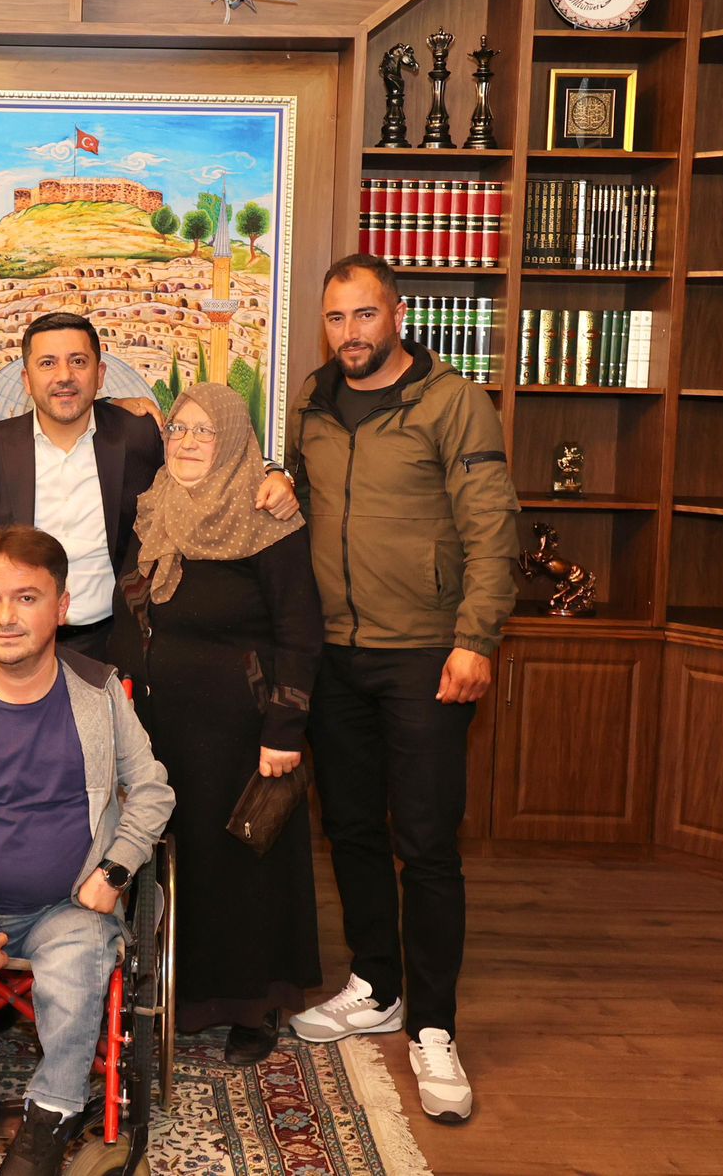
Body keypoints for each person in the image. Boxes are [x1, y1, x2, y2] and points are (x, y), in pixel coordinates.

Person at [284, 254, 518, 1124]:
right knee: (348, 826)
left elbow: (492, 526)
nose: (351, 332)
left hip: (426, 652)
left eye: (365, 314)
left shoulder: (454, 403)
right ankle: (376, 985)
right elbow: (303, 501)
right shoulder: (313, 402)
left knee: (424, 842)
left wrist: (475, 637)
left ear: (398, 315)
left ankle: (434, 1027)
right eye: (336, 317)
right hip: (335, 653)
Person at [0, 526, 175, 1176]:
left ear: (62, 607)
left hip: (66, 904)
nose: (5, 617)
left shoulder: (100, 694)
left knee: (79, 969)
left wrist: (115, 870)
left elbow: (153, 791)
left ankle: (53, 1110)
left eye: (26, 598)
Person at [111, 382, 322, 1066]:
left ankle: (252, 1006)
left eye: (206, 431)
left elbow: (300, 634)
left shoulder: (269, 520)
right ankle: (185, 994)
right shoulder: (154, 509)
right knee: (179, 862)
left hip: (242, 732)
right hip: (160, 727)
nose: (189, 442)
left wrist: (284, 730)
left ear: (232, 438)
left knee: (241, 868)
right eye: (179, 429)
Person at [0, 311, 296, 678]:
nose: (64, 376)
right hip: (15, 648)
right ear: (27, 379)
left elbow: (211, 460)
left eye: (78, 361)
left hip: (113, 646)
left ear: (100, 375)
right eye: (48, 363)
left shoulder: (137, 436)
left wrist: (274, 473)